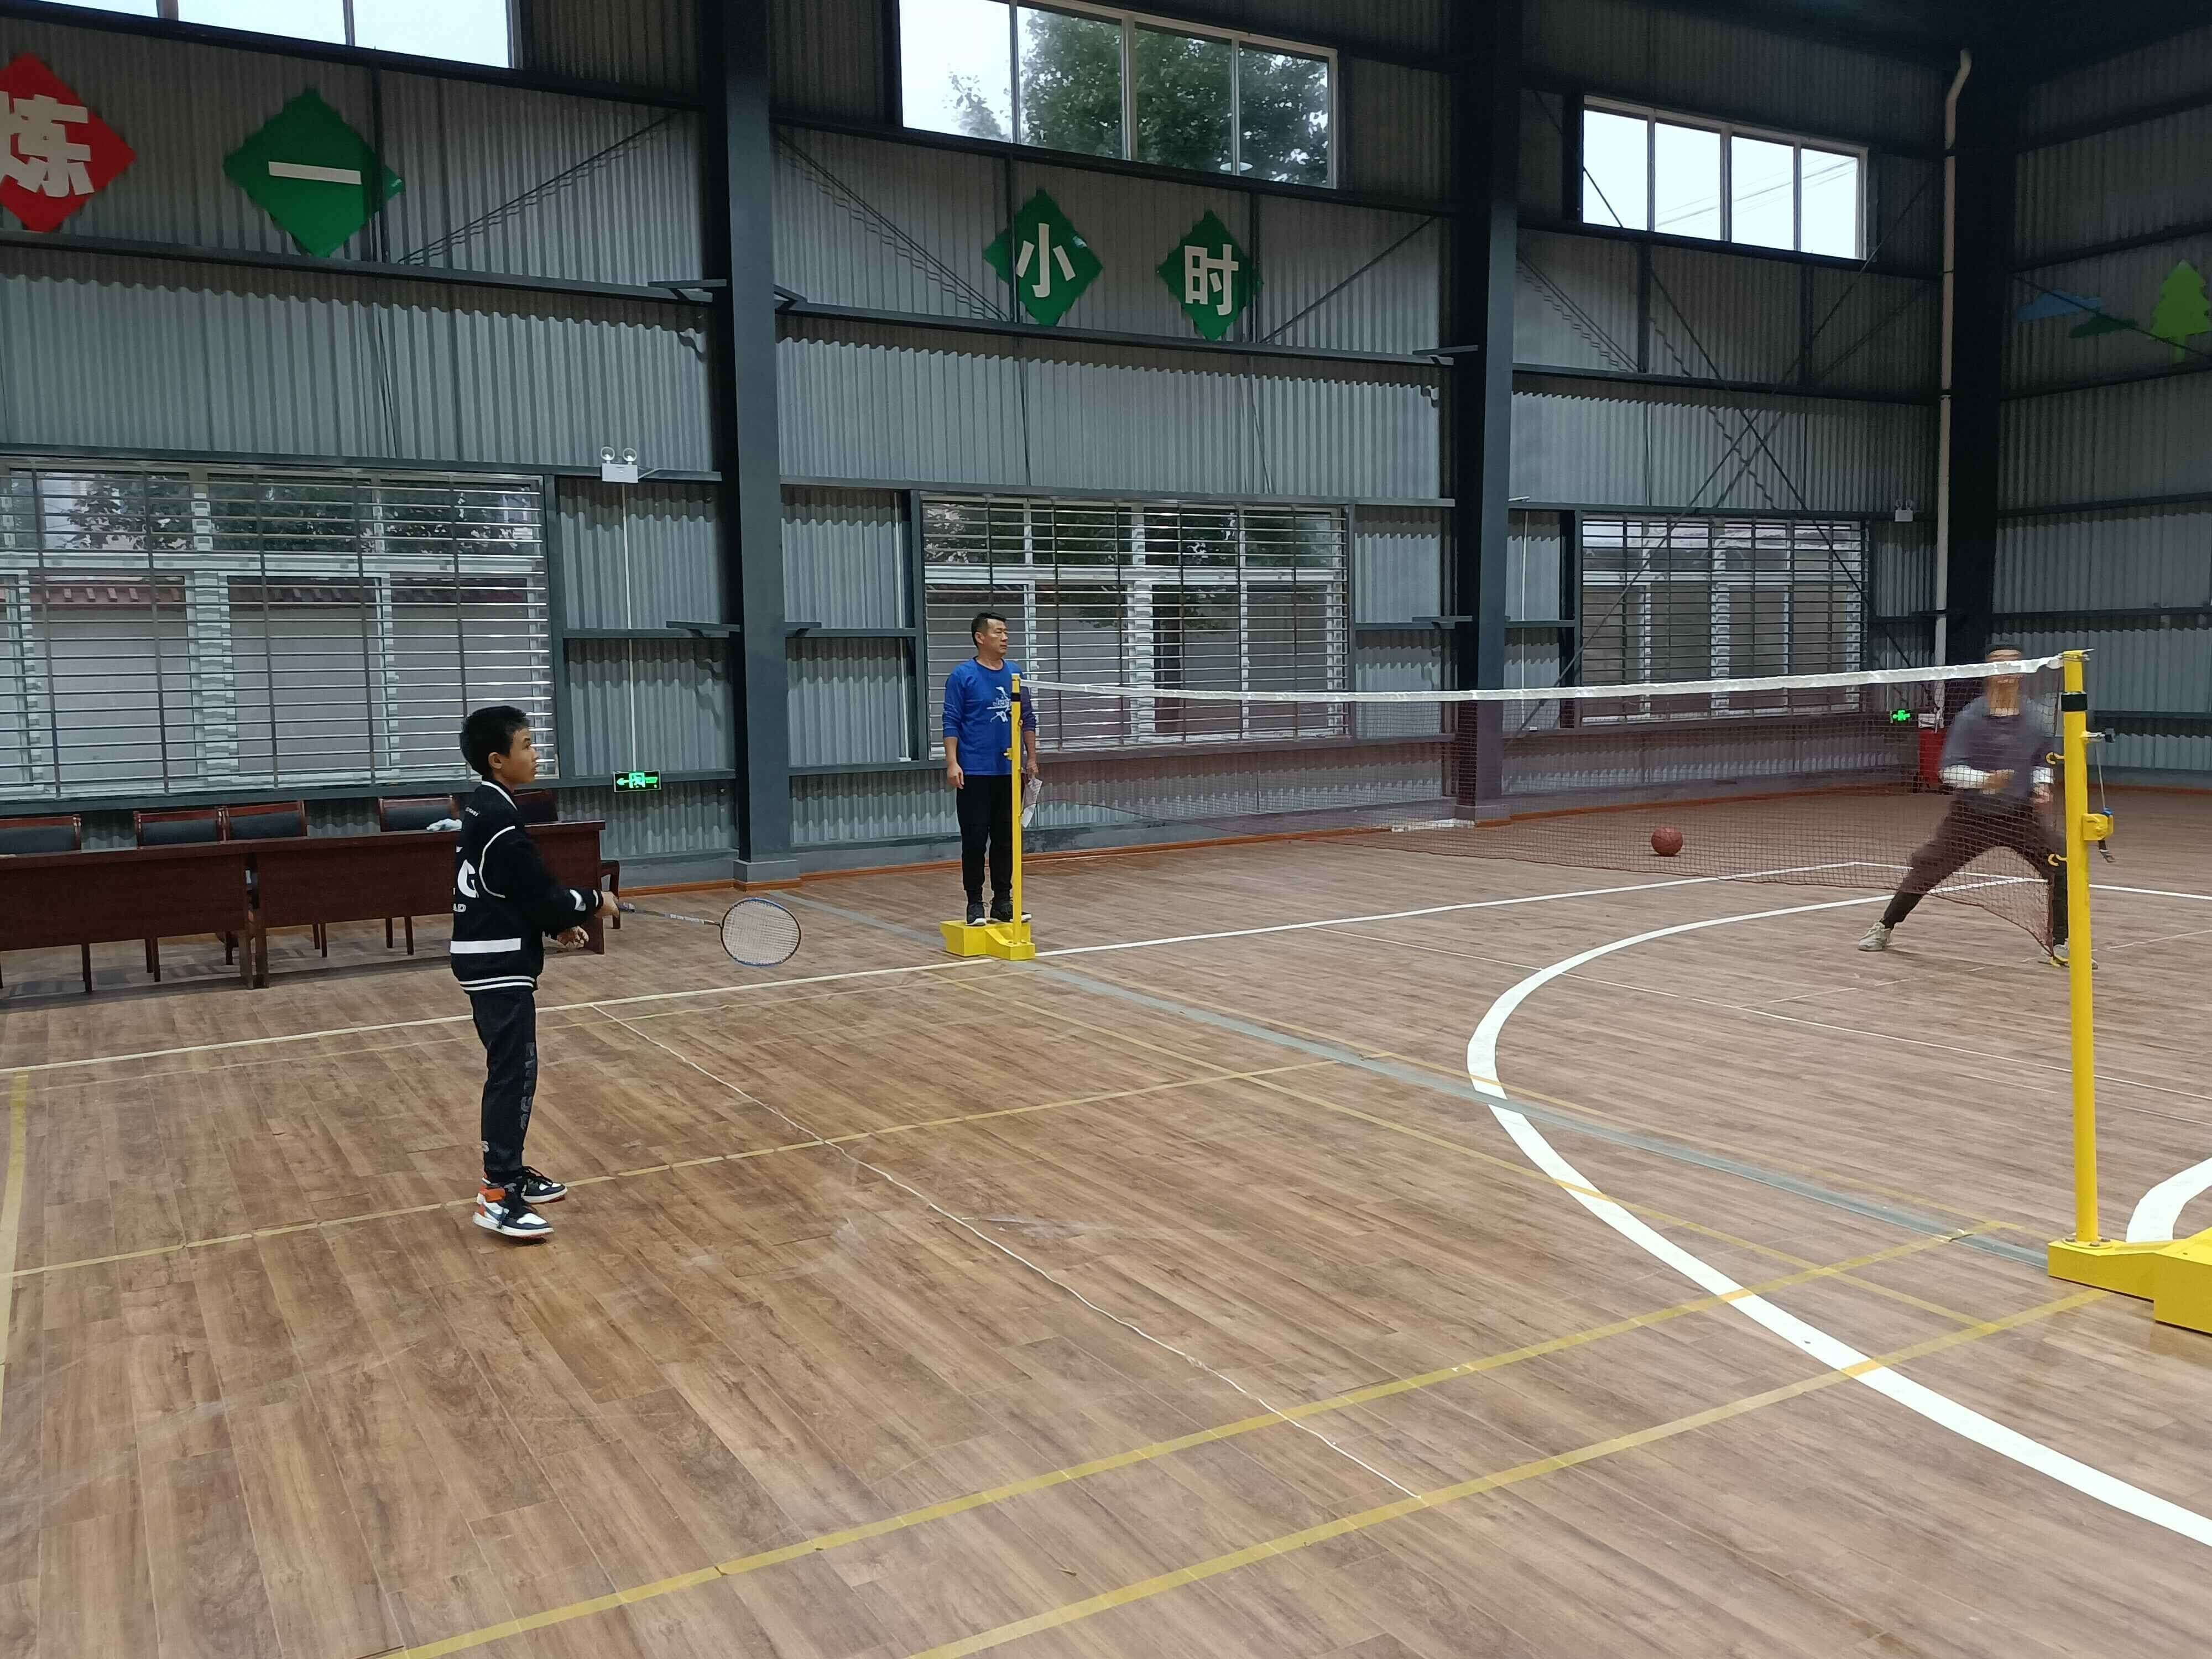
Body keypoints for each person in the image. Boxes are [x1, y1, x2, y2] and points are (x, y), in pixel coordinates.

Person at [453, 706, 618, 1241]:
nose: (536, 753)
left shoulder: (487, 806)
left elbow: (509, 890)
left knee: (514, 1070)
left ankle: (510, 1170)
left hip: (493, 955)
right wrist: (591, 902)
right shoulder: (500, 821)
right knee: (513, 1073)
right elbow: (541, 892)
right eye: (526, 745)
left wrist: (554, 926)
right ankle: (498, 1193)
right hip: (496, 963)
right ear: (497, 760)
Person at [1859, 648, 2072, 963]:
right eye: (1998, 663)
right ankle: (1884, 926)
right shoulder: (1971, 718)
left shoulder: (2035, 719)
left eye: (2013, 662)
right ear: (1987, 672)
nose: (2006, 669)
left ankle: (2061, 943)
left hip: (2020, 816)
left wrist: (2041, 784)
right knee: (1928, 869)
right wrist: (1986, 781)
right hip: (1971, 817)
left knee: (2064, 864)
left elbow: (2041, 759)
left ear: (2023, 671)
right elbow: (1948, 770)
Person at [943, 610, 1040, 926]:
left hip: (1008, 773)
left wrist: (1031, 758)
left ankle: (1003, 901)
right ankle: (974, 903)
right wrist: (953, 762)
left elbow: (1027, 717)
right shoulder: (963, 676)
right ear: (980, 637)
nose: (1005, 638)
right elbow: (951, 720)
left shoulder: (1015, 673)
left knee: (1006, 840)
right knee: (974, 840)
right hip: (974, 772)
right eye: (998, 632)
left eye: (1006, 632)